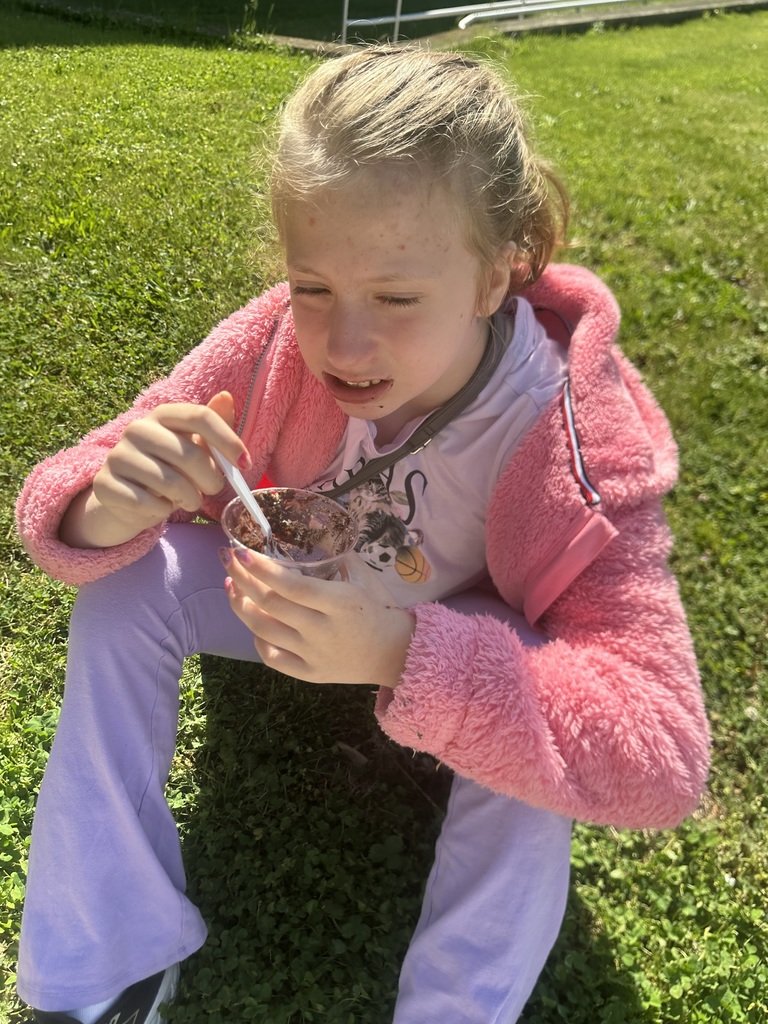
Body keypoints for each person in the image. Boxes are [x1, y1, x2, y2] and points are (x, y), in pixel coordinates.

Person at [15, 45, 710, 1024]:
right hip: (297, 594)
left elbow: (663, 755)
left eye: (395, 298)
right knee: (131, 583)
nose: (342, 344)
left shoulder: (577, 446)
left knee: (540, 732)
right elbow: (76, 485)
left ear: (498, 274)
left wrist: (402, 650)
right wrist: (107, 498)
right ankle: (106, 953)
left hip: (452, 641)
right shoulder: (268, 344)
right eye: (312, 287)